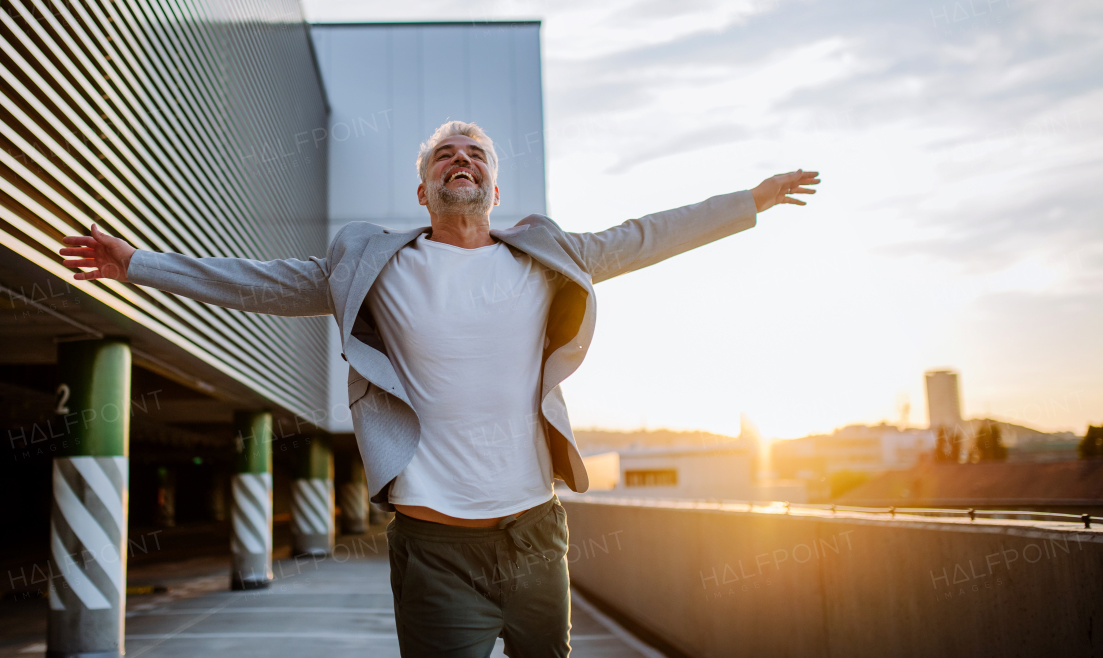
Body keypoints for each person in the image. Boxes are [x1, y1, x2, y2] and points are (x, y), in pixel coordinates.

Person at [59, 120, 820, 657]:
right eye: (445, 156)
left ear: (494, 182)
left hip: (534, 535)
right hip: (434, 547)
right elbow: (259, 282)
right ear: (423, 190)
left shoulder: (544, 253)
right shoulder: (375, 264)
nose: (461, 160)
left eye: (475, 153)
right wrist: (139, 264)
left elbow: (643, 234)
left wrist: (747, 201)